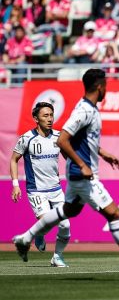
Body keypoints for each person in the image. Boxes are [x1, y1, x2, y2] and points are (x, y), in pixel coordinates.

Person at [12, 69, 119, 277]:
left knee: (68, 211)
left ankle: (25, 238)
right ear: (100, 87)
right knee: (114, 213)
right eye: (106, 87)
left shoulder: (89, 109)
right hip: (83, 176)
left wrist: (103, 154)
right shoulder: (84, 110)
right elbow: (63, 139)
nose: (106, 91)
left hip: (78, 174)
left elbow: (78, 140)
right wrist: (82, 165)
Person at [10, 102, 70, 267]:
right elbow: (14, 159)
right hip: (36, 191)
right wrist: (15, 184)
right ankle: (39, 235)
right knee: (47, 222)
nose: (50, 119)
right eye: (45, 116)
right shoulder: (27, 139)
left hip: (56, 189)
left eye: (51, 115)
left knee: (66, 225)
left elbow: (69, 157)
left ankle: (57, 257)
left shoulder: (59, 137)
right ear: (36, 118)